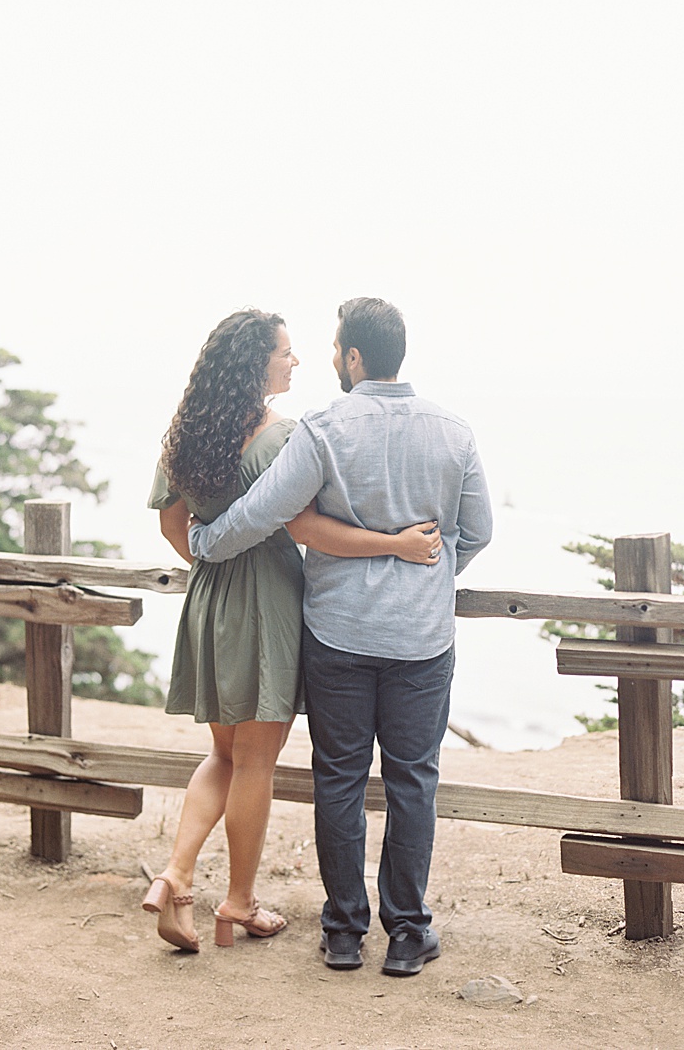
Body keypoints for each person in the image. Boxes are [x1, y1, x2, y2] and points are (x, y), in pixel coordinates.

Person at [187, 297, 491, 979]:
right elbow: (479, 530)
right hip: (421, 640)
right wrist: (433, 576)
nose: (327, 359)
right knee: (413, 782)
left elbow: (265, 510)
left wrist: (205, 541)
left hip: (339, 637)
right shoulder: (454, 431)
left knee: (340, 781)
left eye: (333, 349)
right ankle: (409, 933)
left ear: (354, 356)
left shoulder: (324, 427)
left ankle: (345, 932)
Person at [141, 309, 442, 953]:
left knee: (222, 755)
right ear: (255, 363)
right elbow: (307, 530)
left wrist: (215, 573)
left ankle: (176, 874)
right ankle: (238, 902)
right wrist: (396, 545)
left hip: (208, 600)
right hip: (269, 602)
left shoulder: (184, 435)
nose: (296, 361)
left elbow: (174, 530)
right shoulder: (284, 439)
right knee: (255, 762)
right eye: (284, 352)